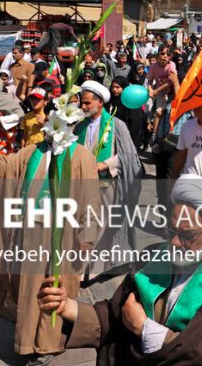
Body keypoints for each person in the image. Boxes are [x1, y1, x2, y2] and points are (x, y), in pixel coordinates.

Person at [37, 176, 202, 364]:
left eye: (187, 235)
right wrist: (67, 306)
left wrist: (145, 329)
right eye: (171, 231)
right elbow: (113, 315)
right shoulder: (153, 255)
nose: (175, 242)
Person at [0, 119, 100, 362]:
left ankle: (47, 344)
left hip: (60, 236)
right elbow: (3, 166)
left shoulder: (80, 156)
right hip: (27, 234)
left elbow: (91, 198)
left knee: (52, 289)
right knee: (28, 292)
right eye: (50, 123)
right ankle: (27, 340)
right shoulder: (34, 151)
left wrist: (87, 236)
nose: (51, 128)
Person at [76, 80, 142, 278]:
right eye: (82, 103)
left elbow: (129, 156)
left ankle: (96, 270)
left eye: (88, 103)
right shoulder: (79, 126)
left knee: (102, 227)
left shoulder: (116, 125)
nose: (84, 106)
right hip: (82, 186)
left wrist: (105, 165)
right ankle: (82, 267)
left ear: (100, 103)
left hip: (106, 185)